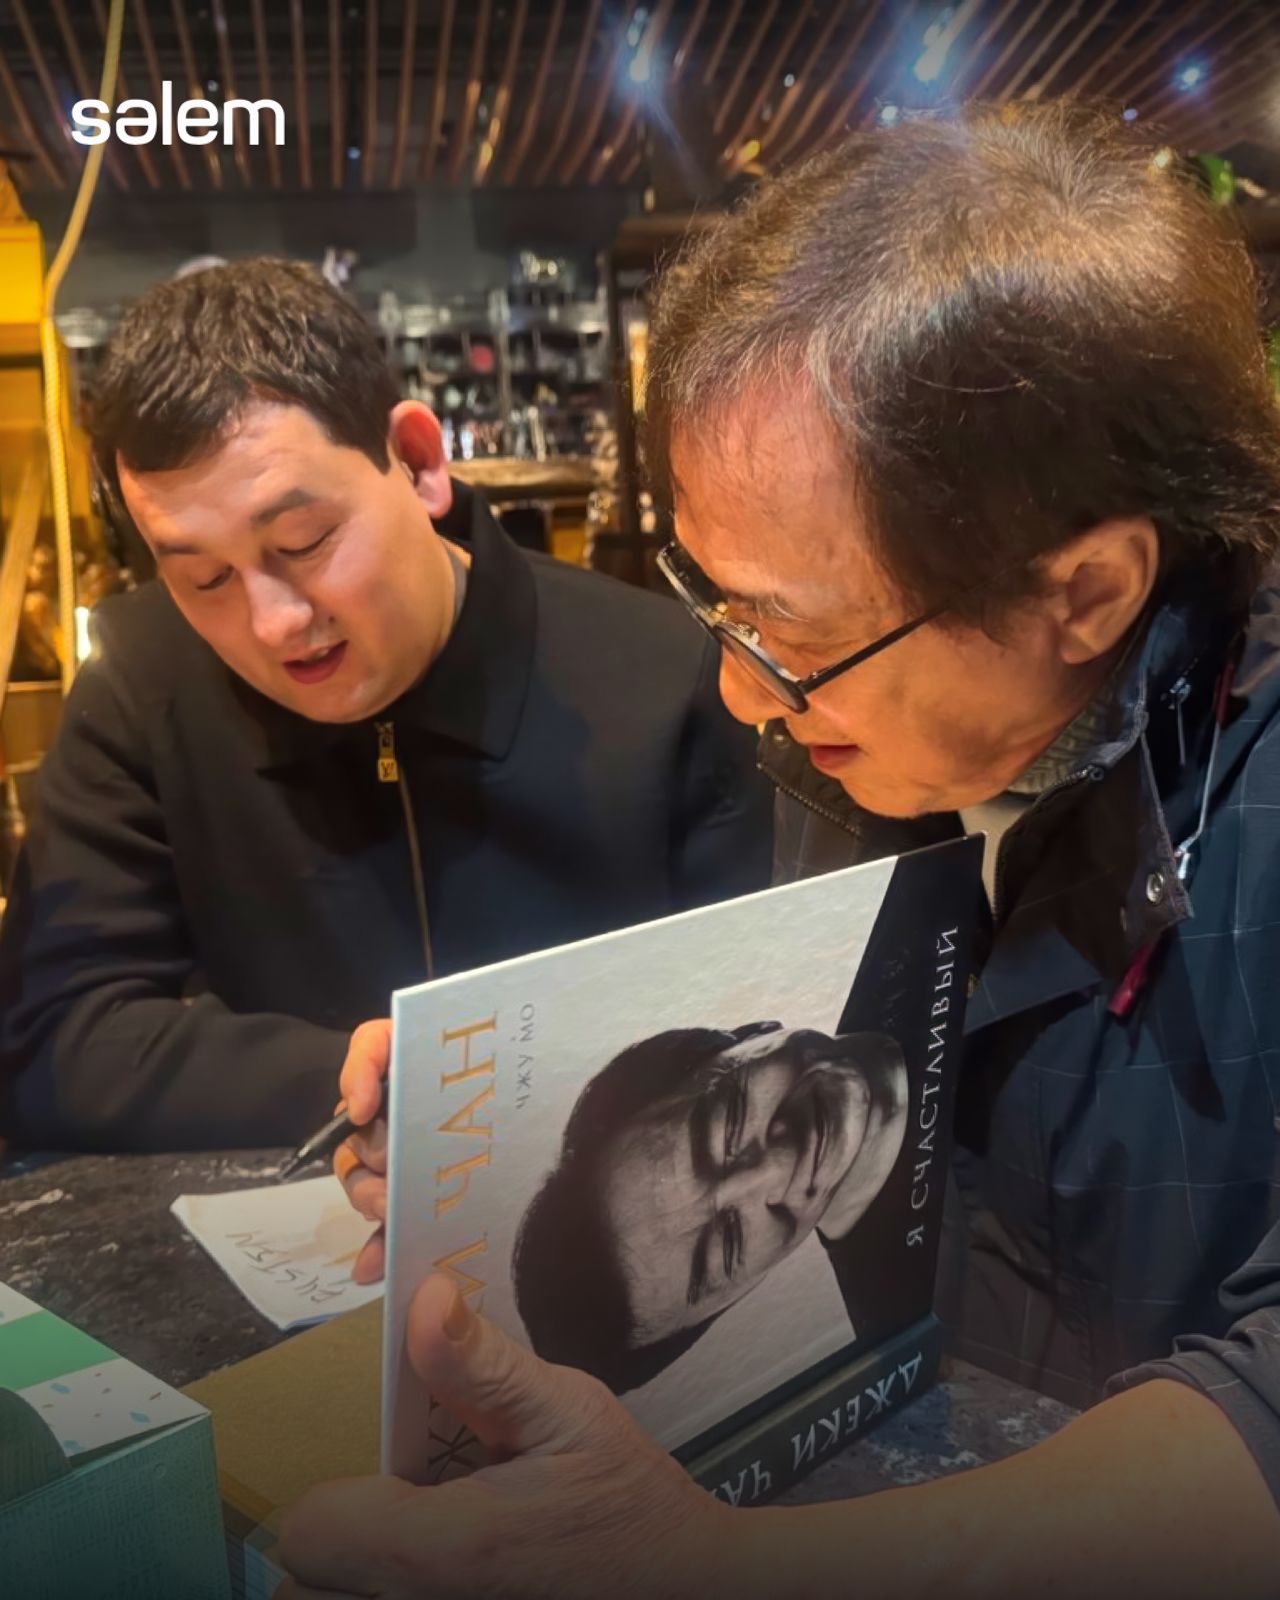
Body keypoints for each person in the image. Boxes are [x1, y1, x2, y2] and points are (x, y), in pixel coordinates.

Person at [293, 104, 1280, 1597]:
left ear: (1082, 594)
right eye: (714, 604)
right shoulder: (870, 755)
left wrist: (719, 1569)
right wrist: (482, 1122)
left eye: (789, 636)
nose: (744, 692)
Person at [0, 258, 771, 1152]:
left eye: (304, 541)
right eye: (203, 577)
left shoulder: (669, 676)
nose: (273, 623)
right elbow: (54, 1037)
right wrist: (367, 1088)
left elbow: (767, 1009)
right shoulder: (143, 684)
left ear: (417, 461)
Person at [512, 1020, 907, 1390]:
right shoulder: (891, 1328)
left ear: (752, 1032)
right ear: (740, 1294)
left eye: (730, 1122)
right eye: (731, 1242)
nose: (776, 1166)